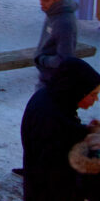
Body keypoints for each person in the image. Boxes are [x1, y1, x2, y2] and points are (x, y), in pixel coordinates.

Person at [20, 57, 100, 201]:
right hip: (48, 192)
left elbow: (64, 132)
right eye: (93, 95)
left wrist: (86, 131)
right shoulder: (49, 116)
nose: (96, 100)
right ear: (78, 91)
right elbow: (57, 161)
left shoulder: (53, 98)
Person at [35, 0, 80, 88]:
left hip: (54, 80)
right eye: (40, 0)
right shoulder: (52, 11)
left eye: (46, 0)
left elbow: (65, 59)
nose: (42, 5)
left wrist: (42, 60)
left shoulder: (64, 23)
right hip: (46, 76)